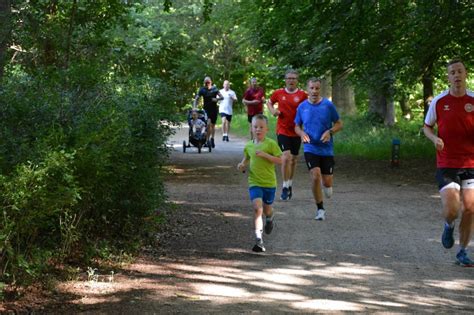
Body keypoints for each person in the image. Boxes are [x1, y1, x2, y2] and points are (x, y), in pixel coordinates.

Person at [423, 59, 474, 266]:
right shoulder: (439, 101)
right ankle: (448, 224)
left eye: (459, 71)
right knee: (452, 209)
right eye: (452, 72)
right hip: (447, 163)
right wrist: (435, 139)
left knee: (471, 208)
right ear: (448, 77)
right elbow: (427, 127)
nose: (456, 75)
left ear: (465, 74)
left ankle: (462, 251)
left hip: (471, 162)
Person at [294, 77, 343, 221]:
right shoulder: (302, 107)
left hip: (326, 149)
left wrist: (330, 132)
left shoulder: (328, 105)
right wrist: (302, 133)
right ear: (307, 89)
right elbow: (296, 126)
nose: (314, 91)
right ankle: (320, 209)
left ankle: (327, 186)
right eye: (312, 88)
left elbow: (339, 124)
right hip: (310, 148)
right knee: (315, 175)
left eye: (317, 88)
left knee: (327, 183)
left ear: (320, 89)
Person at [237, 114, 282, 252]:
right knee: (257, 208)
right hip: (254, 181)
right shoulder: (249, 145)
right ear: (251, 128)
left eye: (261, 127)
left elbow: (280, 160)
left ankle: (270, 217)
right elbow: (245, 160)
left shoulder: (271, 144)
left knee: (267, 209)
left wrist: (265, 155)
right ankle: (259, 240)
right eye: (255, 127)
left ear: (267, 129)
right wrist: (242, 165)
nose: (258, 129)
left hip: (269, 183)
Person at [267, 69, 308, 201]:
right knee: (286, 157)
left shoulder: (302, 95)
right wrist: (273, 110)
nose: (291, 80)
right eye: (289, 78)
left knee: (294, 159)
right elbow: (269, 102)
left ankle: (290, 184)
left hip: (296, 130)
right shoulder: (279, 93)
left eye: (294, 78)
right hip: (282, 129)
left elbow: (309, 107)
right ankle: (284, 187)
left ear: (297, 81)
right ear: (285, 80)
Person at [194, 76, 223, 148]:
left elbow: (222, 97)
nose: (207, 83)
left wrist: (216, 99)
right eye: (205, 82)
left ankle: (212, 139)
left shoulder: (215, 89)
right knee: (208, 124)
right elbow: (196, 98)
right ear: (204, 83)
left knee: (213, 125)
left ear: (211, 82)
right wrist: (194, 107)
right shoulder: (202, 89)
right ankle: (207, 140)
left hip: (214, 110)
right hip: (206, 110)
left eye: (208, 82)